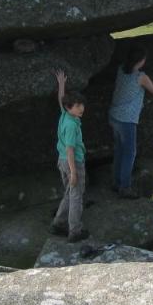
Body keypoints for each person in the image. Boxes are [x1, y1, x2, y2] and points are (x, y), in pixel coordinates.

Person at [109, 44, 153, 198]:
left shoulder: (121, 69)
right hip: (127, 120)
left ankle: (116, 183)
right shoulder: (141, 77)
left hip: (113, 115)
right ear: (142, 61)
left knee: (119, 150)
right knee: (129, 153)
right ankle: (124, 187)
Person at [51, 69, 89, 242]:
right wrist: (74, 172)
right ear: (69, 107)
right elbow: (70, 149)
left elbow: (61, 100)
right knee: (76, 196)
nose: (81, 108)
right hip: (73, 163)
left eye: (82, 105)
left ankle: (58, 223)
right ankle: (75, 231)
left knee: (69, 192)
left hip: (62, 162)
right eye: (77, 106)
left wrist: (61, 85)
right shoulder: (72, 126)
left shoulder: (65, 115)